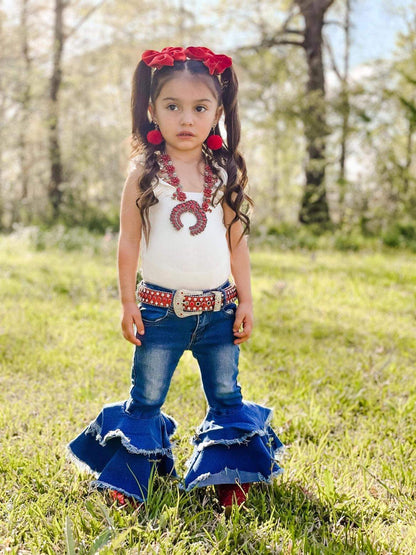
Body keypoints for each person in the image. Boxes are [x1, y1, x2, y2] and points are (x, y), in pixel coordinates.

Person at [68, 46, 283, 511]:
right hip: (159, 311)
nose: (186, 119)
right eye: (173, 106)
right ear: (152, 109)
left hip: (219, 310)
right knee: (145, 396)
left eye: (200, 108)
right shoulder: (144, 174)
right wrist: (128, 303)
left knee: (226, 393)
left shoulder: (224, 172)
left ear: (218, 113)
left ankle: (230, 474)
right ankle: (129, 479)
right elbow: (129, 243)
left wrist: (247, 301)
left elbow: (237, 244)